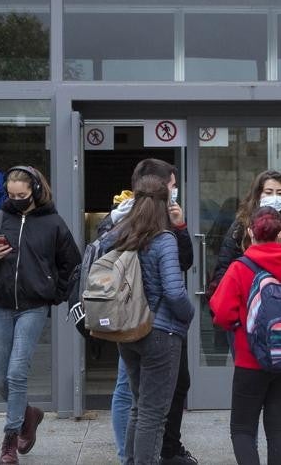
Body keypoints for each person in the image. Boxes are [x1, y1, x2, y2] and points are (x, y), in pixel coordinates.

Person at [0, 165, 81, 465]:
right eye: (12, 194)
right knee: (0, 380)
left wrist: (52, 294)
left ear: (36, 191)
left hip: (33, 307)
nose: (16, 198)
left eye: (22, 194)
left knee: (17, 373)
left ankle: (9, 440)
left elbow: (72, 265)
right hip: (0, 306)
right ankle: (30, 414)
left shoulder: (53, 224)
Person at [100, 160, 197, 465]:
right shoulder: (163, 239)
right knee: (154, 414)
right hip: (160, 332)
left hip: (126, 330)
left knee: (138, 407)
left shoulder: (120, 236)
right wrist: (189, 314)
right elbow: (174, 290)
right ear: (163, 204)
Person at [210, 207, 281, 465]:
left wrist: (239, 322)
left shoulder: (241, 267)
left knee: (242, 429)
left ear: (249, 232)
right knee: (278, 427)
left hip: (251, 360)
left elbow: (222, 313)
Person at [207, 170, 281, 302]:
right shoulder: (241, 228)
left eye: (280, 193)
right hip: (248, 306)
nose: (274, 197)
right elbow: (223, 271)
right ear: (257, 195)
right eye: (268, 192)